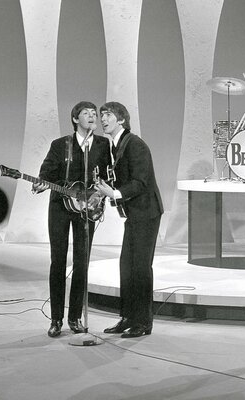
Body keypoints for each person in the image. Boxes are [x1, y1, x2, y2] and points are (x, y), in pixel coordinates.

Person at [32, 101, 111, 338]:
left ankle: (75, 317)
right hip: (60, 207)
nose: (92, 117)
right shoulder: (60, 145)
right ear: (75, 119)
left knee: (81, 262)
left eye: (94, 114)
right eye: (86, 113)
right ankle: (56, 319)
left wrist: (99, 198)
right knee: (57, 261)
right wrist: (40, 183)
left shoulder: (103, 145)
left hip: (88, 208)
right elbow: (46, 173)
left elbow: (109, 176)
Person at [95, 101, 163, 338]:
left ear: (122, 119)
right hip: (134, 214)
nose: (103, 119)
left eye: (108, 115)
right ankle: (127, 317)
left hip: (147, 212)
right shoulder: (115, 145)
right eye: (101, 115)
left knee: (141, 268)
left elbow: (141, 182)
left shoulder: (135, 144)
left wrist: (113, 193)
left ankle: (143, 322)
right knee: (127, 266)